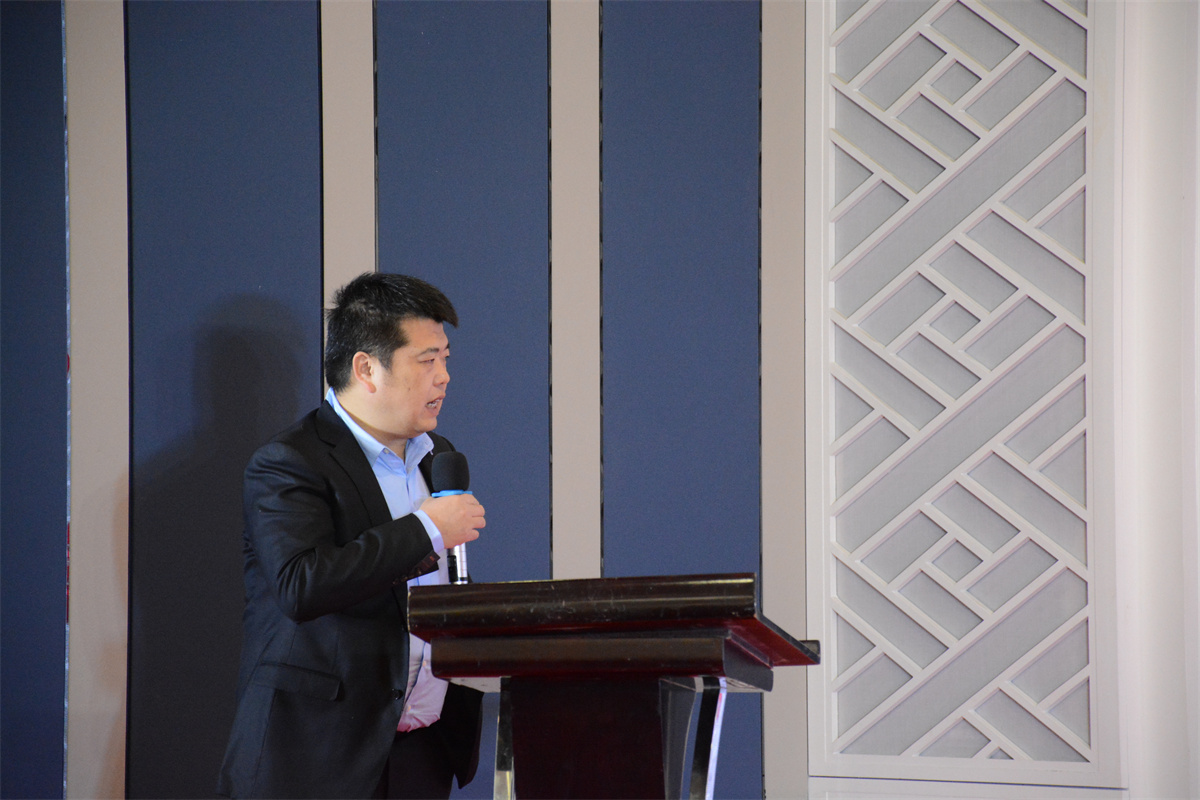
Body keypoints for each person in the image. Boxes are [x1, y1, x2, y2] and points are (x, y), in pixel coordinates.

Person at [217, 272, 486, 799]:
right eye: (426, 360)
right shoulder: (290, 461)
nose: (444, 377)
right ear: (366, 368)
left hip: (421, 751)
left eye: (446, 359)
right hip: (317, 759)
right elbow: (302, 584)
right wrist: (428, 528)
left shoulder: (437, 455)